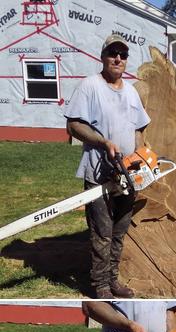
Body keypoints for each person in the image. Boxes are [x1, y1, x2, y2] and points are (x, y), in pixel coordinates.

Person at [65, 35, 150, 299]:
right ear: (103, 56)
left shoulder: (131, 91)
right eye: (113, 53)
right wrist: (103, 142)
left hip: (127, 175)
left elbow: (140, 127)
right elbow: (74, 126)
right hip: (99, 172)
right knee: (101, 231)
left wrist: (139, 158)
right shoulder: (89, 86)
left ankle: (113, 280)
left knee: (119, 231)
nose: (118, 59)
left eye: (123, 55)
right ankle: (100, 286)